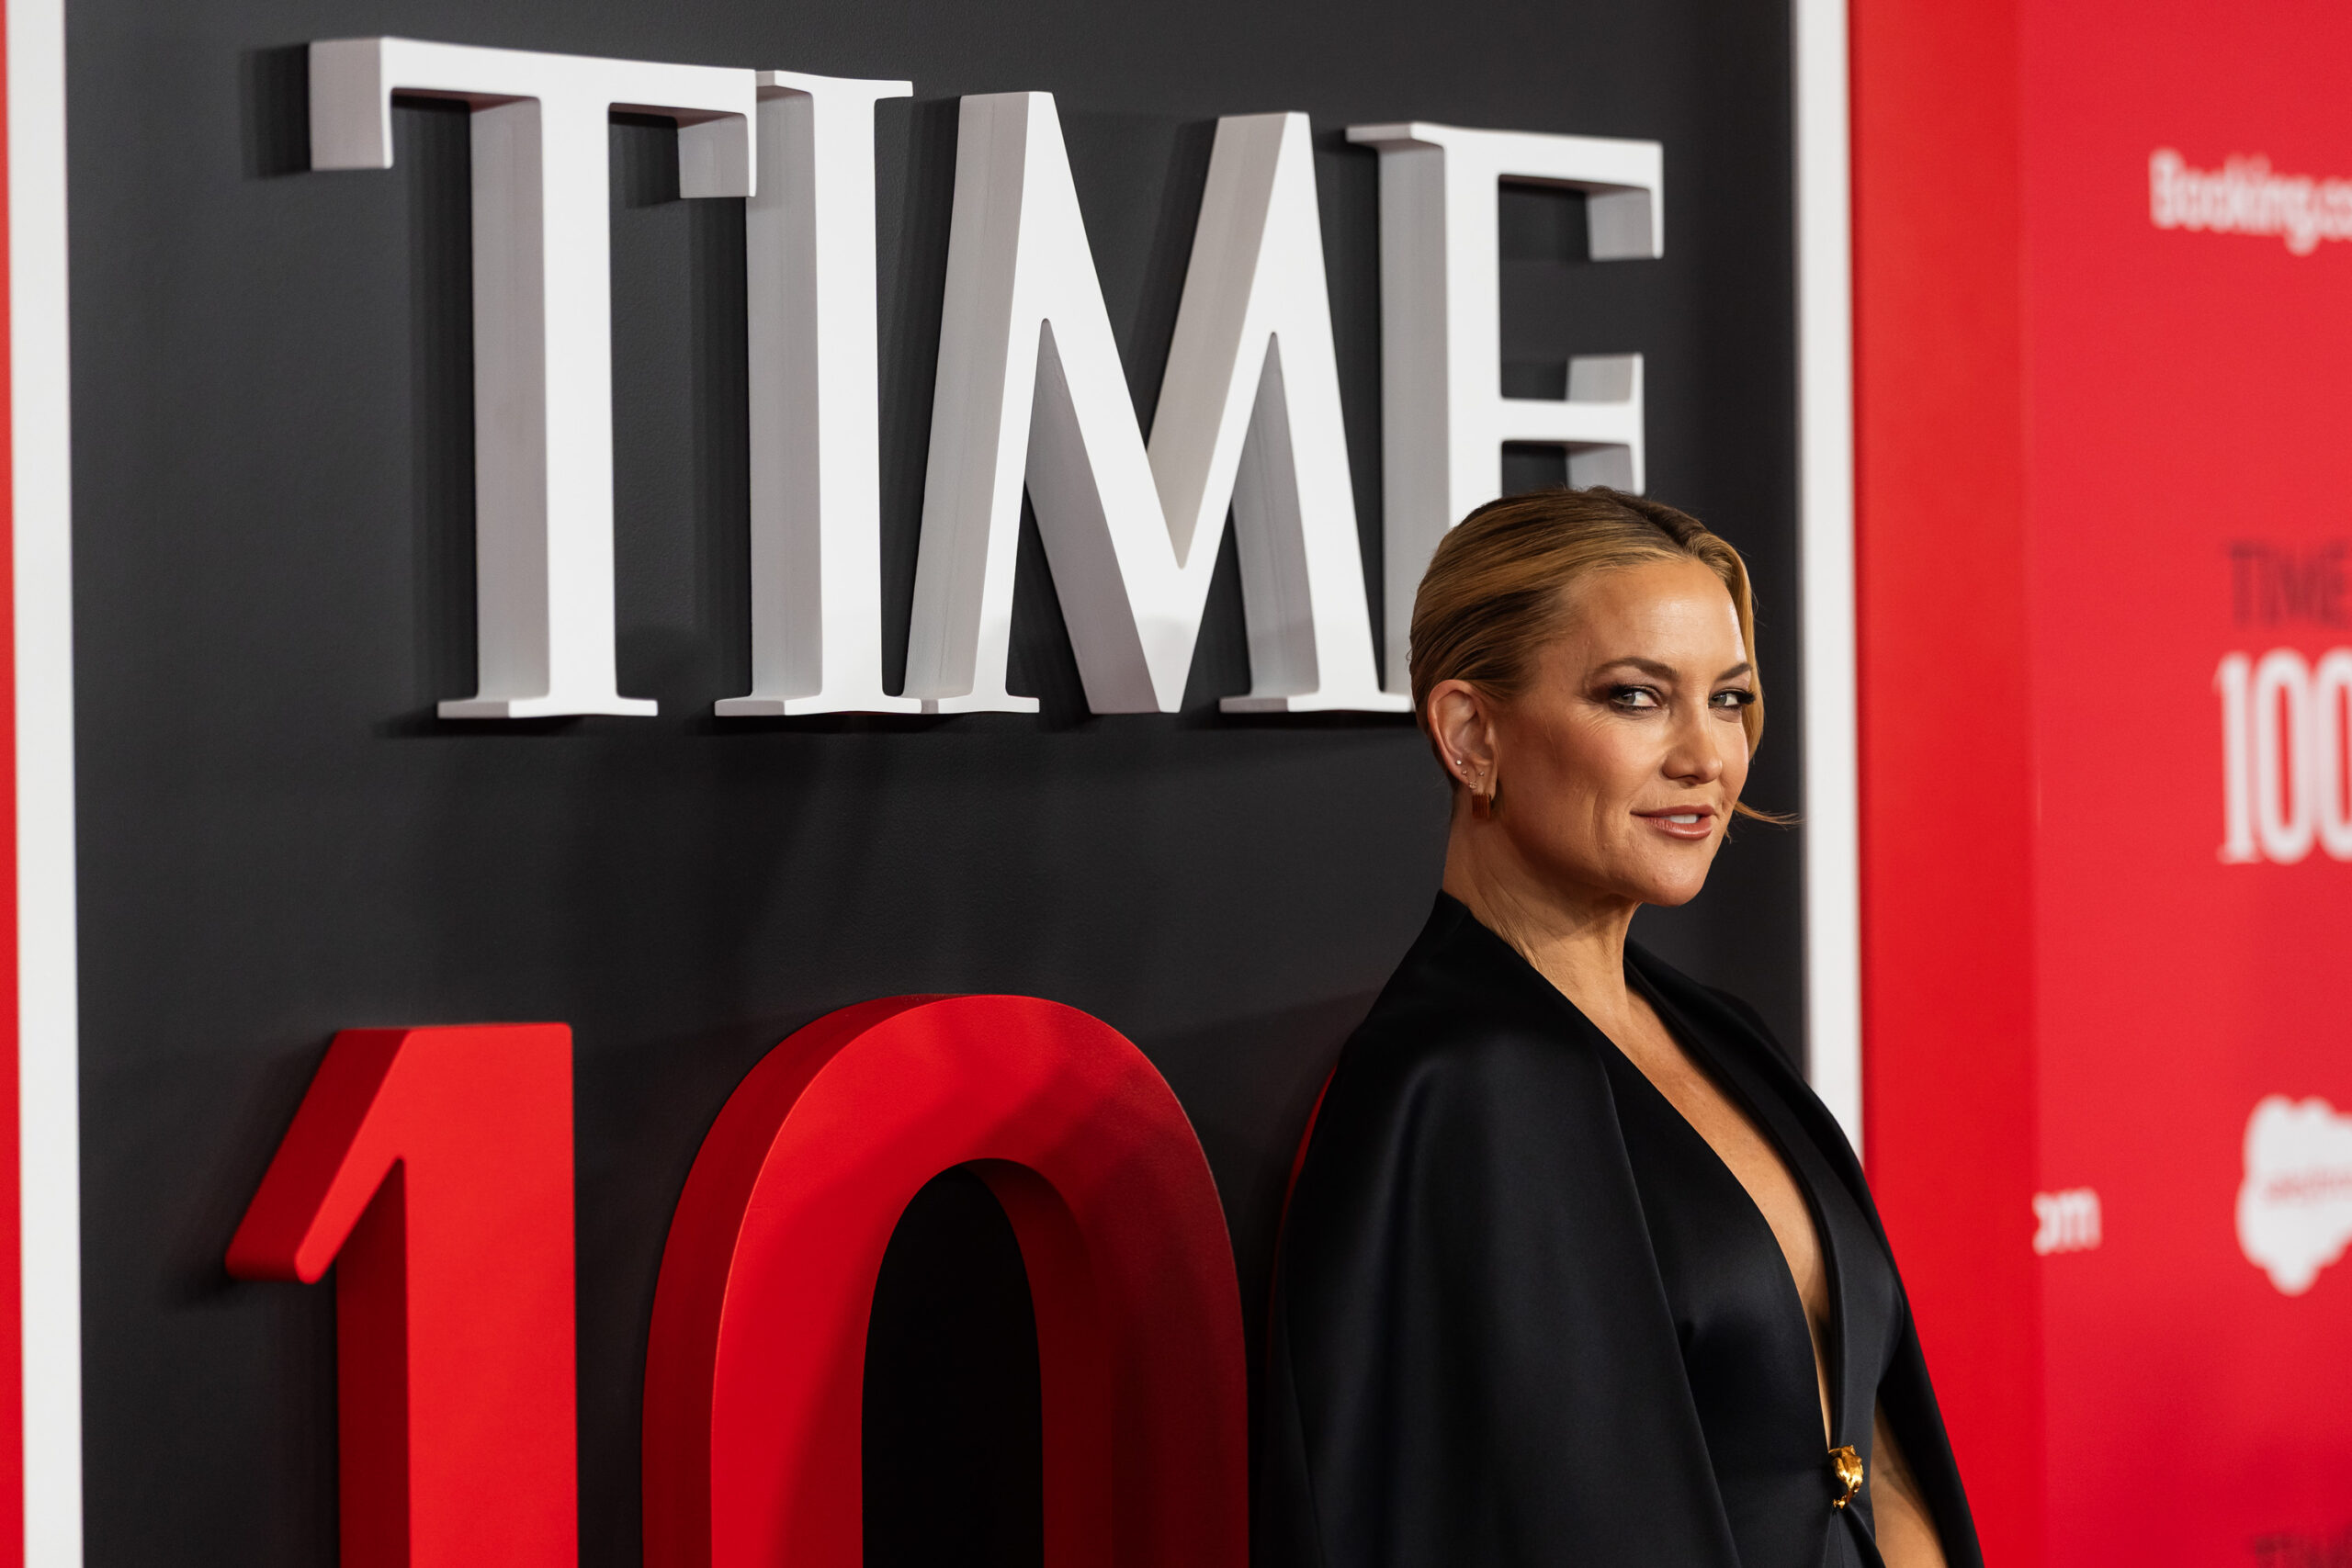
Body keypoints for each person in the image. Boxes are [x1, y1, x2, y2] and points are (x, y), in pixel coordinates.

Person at [1257, 489, 1978, 1568]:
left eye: (1728, 700)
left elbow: (1871, 1445)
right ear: (1471, 734)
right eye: (1636, 697)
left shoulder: (1722, 1036)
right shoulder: (1459, 1085)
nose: (1706, 756)